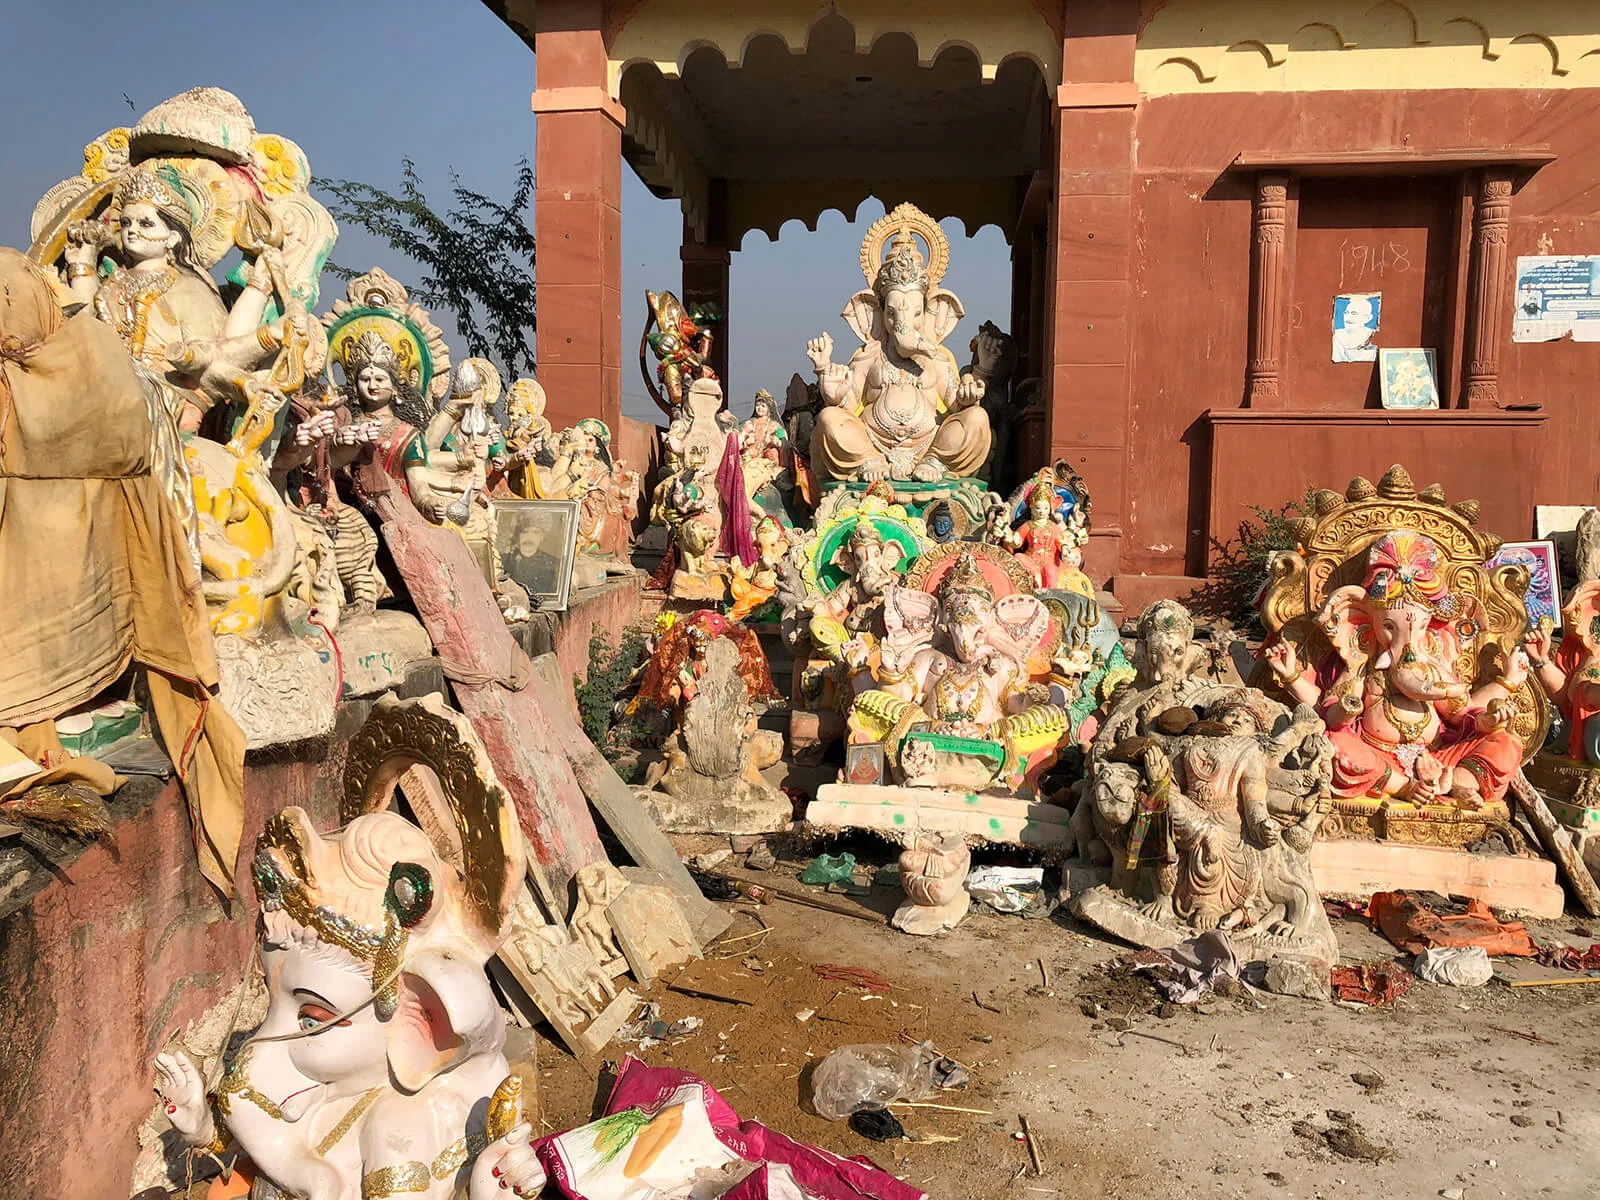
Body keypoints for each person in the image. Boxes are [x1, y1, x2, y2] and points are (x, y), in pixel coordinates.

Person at [1331, 296, 1377, 363]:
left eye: (1354, 313)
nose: (1348, 317)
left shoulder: (1372, 336)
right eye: (1346, 312)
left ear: (1367, 318)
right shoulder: (1337, 336)